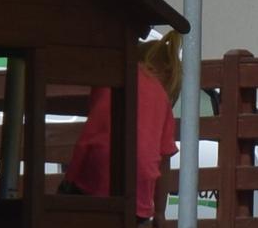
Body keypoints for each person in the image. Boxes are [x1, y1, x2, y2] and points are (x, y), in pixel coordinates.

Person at [68, 29, 181, 215]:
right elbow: (164, 163)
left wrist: (69, 180)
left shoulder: (114, 79)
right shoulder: (163, 101)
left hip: (96, 182)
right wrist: (160, 216)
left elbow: (90, 135)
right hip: (139, 199)